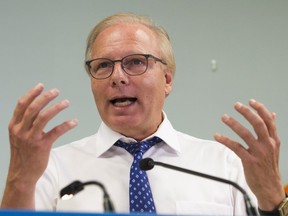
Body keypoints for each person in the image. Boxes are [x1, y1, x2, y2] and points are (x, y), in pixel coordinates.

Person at [1, 12, 286, 215]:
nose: (117, 77)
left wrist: (273, 200)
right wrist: (19, 179)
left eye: (135, 62)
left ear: (167, 80)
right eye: (102, 66)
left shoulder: (224, 166)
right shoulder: (53, 168)